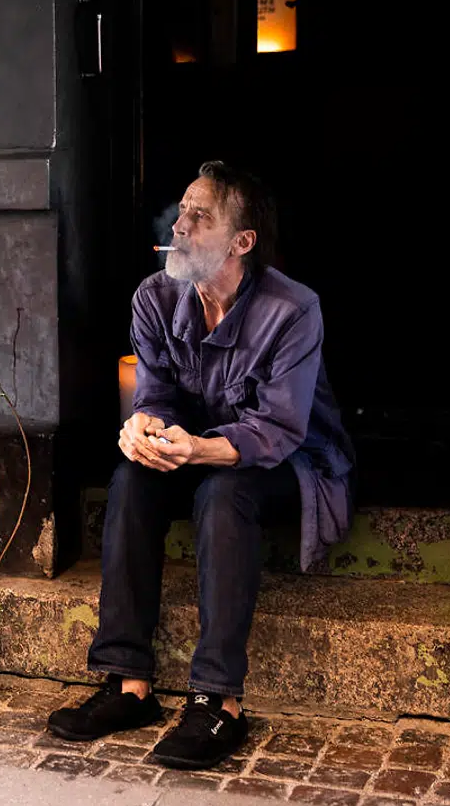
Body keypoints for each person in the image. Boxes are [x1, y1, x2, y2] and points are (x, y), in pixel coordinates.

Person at [47, 161, 354, 770]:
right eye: (181, 211)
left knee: (223, 493)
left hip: (286, 463)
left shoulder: (294, 311)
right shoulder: (155, 297)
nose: (179, 225)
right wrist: (143, 428)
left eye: (200, 216)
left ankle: (218, 700)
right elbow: (155, 395)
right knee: (131, 479)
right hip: (199, 448)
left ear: (242, 242)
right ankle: (127, 683)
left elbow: (279, 429)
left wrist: (199, 448)